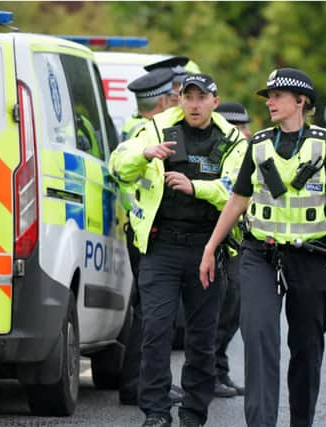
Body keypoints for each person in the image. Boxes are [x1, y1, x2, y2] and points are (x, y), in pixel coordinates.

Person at [199, 68, 326, 427]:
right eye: (269, 95)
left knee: (306, 347)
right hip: (260, 254)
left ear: (302, 102)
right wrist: (210, 248)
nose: (270, 101)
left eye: (278, 95)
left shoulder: (323, 143)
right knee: (259, 338)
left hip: (313, 255)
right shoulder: (259, 143)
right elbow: (237, 200)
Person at [109, 73, 247, 427]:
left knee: (202, 338)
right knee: (156, 329)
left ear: (215, 101)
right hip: (161, 246)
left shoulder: (231, 140)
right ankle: (156, 412)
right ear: (180, 99)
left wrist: (195, 187)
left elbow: (235, 190)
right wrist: (144, 153)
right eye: (189, 97)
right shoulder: (156, 129)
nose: (195, 104)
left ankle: (193, 414)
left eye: (202, 97)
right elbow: (118, 164)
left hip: (207, 248)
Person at [116, 67, 185, 406]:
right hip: (146, 231)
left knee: (149, 309)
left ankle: (148, 381)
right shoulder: (144, 133)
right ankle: (137, 383)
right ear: (162, 100)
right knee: (150, 311)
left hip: (142, 228)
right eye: (173, 96)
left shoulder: (135, 128)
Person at [208, 101, 254, 398]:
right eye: (240, 126)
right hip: (217, 242)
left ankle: (219, 369)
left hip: (239, 243)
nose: (246, 132)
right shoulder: (215, 156)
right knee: (218, 310)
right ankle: (208, 373)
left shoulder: (247, 155)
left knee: (234, 309)